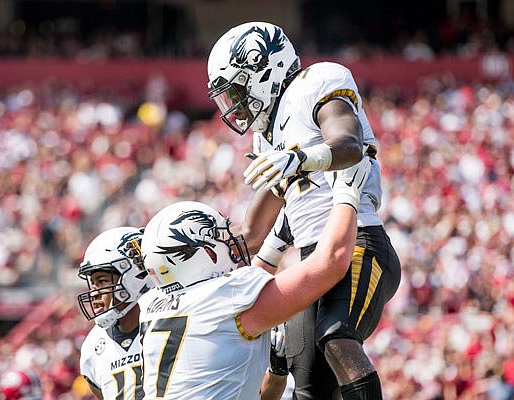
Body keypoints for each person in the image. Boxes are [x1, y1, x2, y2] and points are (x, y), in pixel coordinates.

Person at [207, 21, 402, 399]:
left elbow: (348, 143)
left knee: (336, 336)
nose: (234, 105)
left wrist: (298, 158)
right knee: (306, 382)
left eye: (236, 91)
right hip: (309, 260)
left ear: (263, 68)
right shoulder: (267, 134)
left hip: (358, 241)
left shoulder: (317, 82)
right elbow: (253, 231)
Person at [138, 157, 371, 399]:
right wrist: (347, 192)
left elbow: (237, 295)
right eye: (219, 237)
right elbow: (331, 263)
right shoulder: (228, 297)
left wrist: (275, 244)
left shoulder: (151, 304)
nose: (229, 241)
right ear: (205, 252)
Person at [77, 227, 154, 399]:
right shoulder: (92, 346)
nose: (94, 293)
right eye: (93, 283)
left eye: (102, 281)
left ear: (136, 276)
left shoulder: (166, 323)